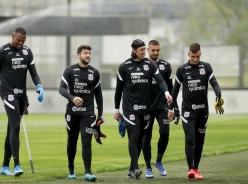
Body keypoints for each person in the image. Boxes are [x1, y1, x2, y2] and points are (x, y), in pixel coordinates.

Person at [0, 27, 44, 177]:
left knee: (11, 129)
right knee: (16, 125)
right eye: (18, 40)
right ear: (13, 36)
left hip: (21, 95)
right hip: (8, 94)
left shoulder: (27, 52)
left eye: (23, 40)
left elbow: (33, 72)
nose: (21, 43)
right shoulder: (1, 52)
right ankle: (17, 165)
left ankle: (4, 166)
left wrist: (39, 85)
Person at [114, 39, 173, 180]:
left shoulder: (150, 65)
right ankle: (135, 168)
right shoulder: (124, 66)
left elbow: (160, 80)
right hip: (130, 109)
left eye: (144, 49)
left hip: (146, 109)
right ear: (134, 50)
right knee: (134, 136)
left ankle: (131, 169)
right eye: (141, 50)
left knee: (140, 139)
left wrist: (166, 92)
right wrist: (117, 109)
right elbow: (118, 90)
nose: (144, 52)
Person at [168, 43, 222, 180]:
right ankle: (190, 169)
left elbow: (214, 83)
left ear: (200, 54)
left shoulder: (206, 67)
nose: (195, 59)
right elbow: (174, 91)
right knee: (190, 139)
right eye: (193, 57)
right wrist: (171, 108)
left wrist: (218, 94)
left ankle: (196, 169)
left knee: (200, 141)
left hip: (203, 110)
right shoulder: (181, 70)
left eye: (197, 56)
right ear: (188, 55)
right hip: (188, 111)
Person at [58, 45, 104, 182]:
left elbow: (98, 94)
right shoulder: (70, 70)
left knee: (86, 141)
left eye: (89, 53)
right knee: (72, 142)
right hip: (72, 113)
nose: (88, 55)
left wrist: (100, 113)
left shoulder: (94, 73)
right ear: (79, 55)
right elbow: (61, 88)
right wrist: (72, 98)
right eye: (85, 53)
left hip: (88, 113)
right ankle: (71, 167)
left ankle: (88, 172)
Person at [142, 40, 180, 179]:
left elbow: (171, 89)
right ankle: (147, 167)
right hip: (146, 108)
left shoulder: (165, 66)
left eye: (158, 50)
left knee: (165, 133)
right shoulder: (143, 65)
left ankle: (158, 161)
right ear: (148, 50)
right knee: (146, 138)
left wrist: (174, 108)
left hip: (162, 106)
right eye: (153, 50)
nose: (156, 52)